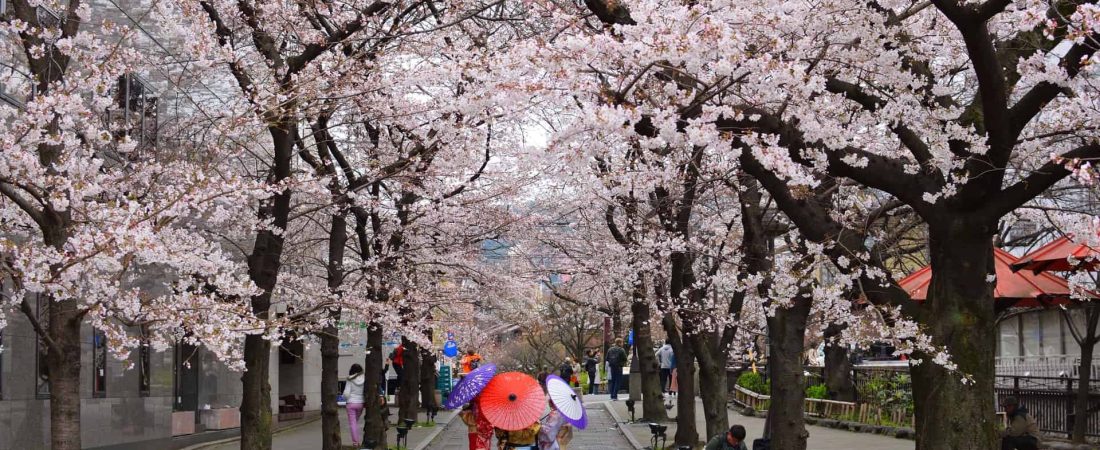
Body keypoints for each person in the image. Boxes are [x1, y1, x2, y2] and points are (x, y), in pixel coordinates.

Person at [342, 364, 366, 447]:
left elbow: (346, 393)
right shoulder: (365, 378)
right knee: (355, 423)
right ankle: (357, 440)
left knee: (353, 424)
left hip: (351, 403)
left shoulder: (350, 379)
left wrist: (343, 397)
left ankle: (356, 442)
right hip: (361, 404)